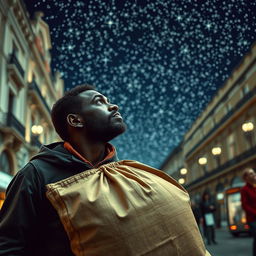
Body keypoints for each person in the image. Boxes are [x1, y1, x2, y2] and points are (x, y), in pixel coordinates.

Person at [0, 84, 211, 256]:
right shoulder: (36, 174)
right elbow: (8, 246)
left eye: (109, 101)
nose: (114, 106)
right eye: (99, 102)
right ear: (75, 120)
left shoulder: (126, 172)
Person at [241, 167, 256, 256]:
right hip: (252, 219)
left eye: (253, 172)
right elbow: (245, 205)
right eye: (251, 173)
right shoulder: (244, 189)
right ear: (246, 177)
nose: (254, 174)